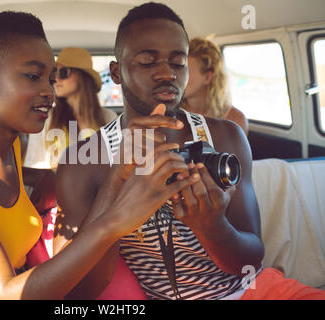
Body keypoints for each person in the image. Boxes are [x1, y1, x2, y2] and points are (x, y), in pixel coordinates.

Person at [0, 10, 197, 300]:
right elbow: (3, 295)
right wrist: (116, 221)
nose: (49, 92)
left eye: (49, 79)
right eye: (33, 77)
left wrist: (116, 175)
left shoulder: (8, 148)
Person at [54, 2, 325, 300]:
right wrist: (117, 208)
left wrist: (212, 226)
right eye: (147, 61)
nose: (166, 73)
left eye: (178, 62)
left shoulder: (225, 136)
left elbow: (250, 263)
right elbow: (79, 293)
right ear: (116, 73)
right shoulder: (83, 163)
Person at [24, 47, 117, 170]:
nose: (56, 79)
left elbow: (116, 163)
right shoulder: (46, 116)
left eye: (63, 72)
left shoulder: (109, 117)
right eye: (54, 73)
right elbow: (34, 163)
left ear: (82, 76)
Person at [181, 37, 249, 135]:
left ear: (207, 77)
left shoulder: (234, 120)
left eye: (186, 71)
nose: (177, 77)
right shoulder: (172, 112)